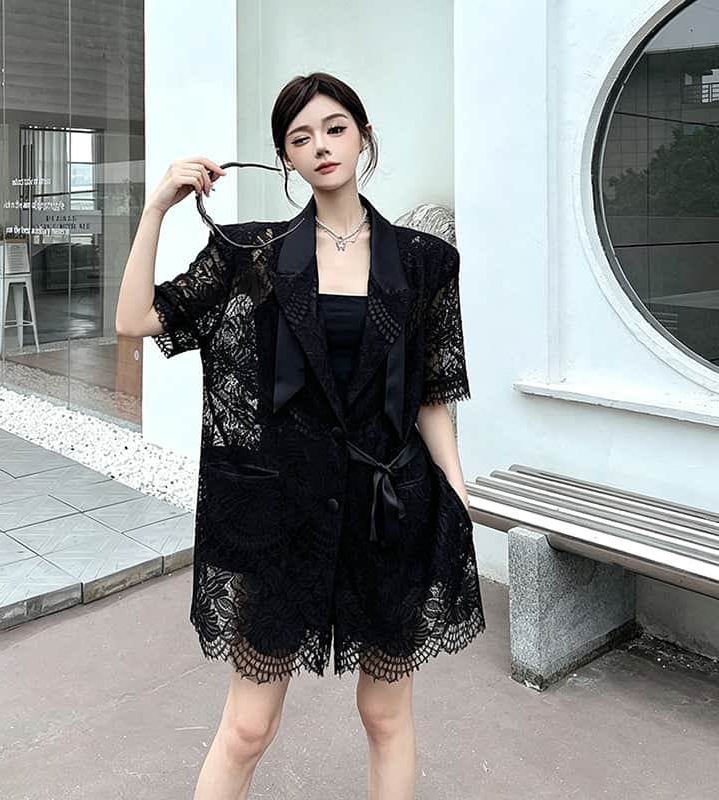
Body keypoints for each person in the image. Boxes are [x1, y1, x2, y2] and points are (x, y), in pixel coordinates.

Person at [115, 71, 485, 800]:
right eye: (300, 137)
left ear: (364, 136)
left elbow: (432, 394)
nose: (321, 145)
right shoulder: (251, 255)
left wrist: (458, 492)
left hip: (387, 512)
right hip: (281, 515)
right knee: (248, 727)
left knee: (386, 715)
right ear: (285, 157)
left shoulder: (425, 262)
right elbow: (136, 320)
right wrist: (157, 207)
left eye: (335, 128)